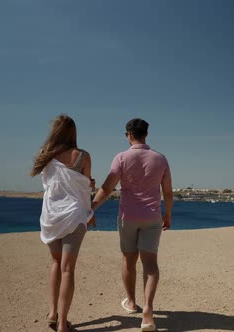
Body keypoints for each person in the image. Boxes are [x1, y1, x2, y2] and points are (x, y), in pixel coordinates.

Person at [92, 118, 173, 332]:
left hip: (128, 216)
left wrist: (90, 208)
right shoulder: (160, 159)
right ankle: (148, 311)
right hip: (152, 217)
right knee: (151, 265)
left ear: (129, 134)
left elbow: (107, 188)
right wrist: (168, 214)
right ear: (146, 134)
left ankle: (131, 302)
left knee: (129, 260)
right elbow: (167, 192)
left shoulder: (121, 157)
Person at [30, 114, 95, 332]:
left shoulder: (45, 155)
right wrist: (89, 212)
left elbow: (50, 186)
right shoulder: (83, 156)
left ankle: (52, 313)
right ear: (73, 132)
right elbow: (85, 189)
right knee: (68, 269)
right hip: (75, 215)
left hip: (51, 216)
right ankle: (61, 324)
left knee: (55, 264)